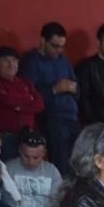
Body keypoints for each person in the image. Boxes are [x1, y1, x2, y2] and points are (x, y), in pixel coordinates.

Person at [19, 22, 80, 173]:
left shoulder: (64, 60)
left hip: (72, 116)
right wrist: (54, 89)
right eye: (54, 46)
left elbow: (78, 89)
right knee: (61, 164)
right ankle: (61, 195)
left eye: (62, 46)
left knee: (79, 163)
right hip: (52, 117)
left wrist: (73, 88)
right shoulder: (31, 61)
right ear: (42, 41)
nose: (58, 50)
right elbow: (27, 96)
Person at [0, 46, 45, 161]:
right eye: (6, 60)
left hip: (27, 137)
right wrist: (28, 100)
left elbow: (39, 105)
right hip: (5, 137)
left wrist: (18, 106)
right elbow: (7, 100)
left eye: (15, 61)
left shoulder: (25, 83)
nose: (11, 64)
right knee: (9, 171)